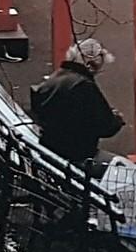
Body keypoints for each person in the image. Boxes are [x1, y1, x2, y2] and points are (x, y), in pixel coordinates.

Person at [29, 38, 125, 170]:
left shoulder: (54, 79)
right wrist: (117, 119)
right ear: (91, 65)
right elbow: (105, 126)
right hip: (76, 153)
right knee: (122, 170)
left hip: (49, 147)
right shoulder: (84, 86)